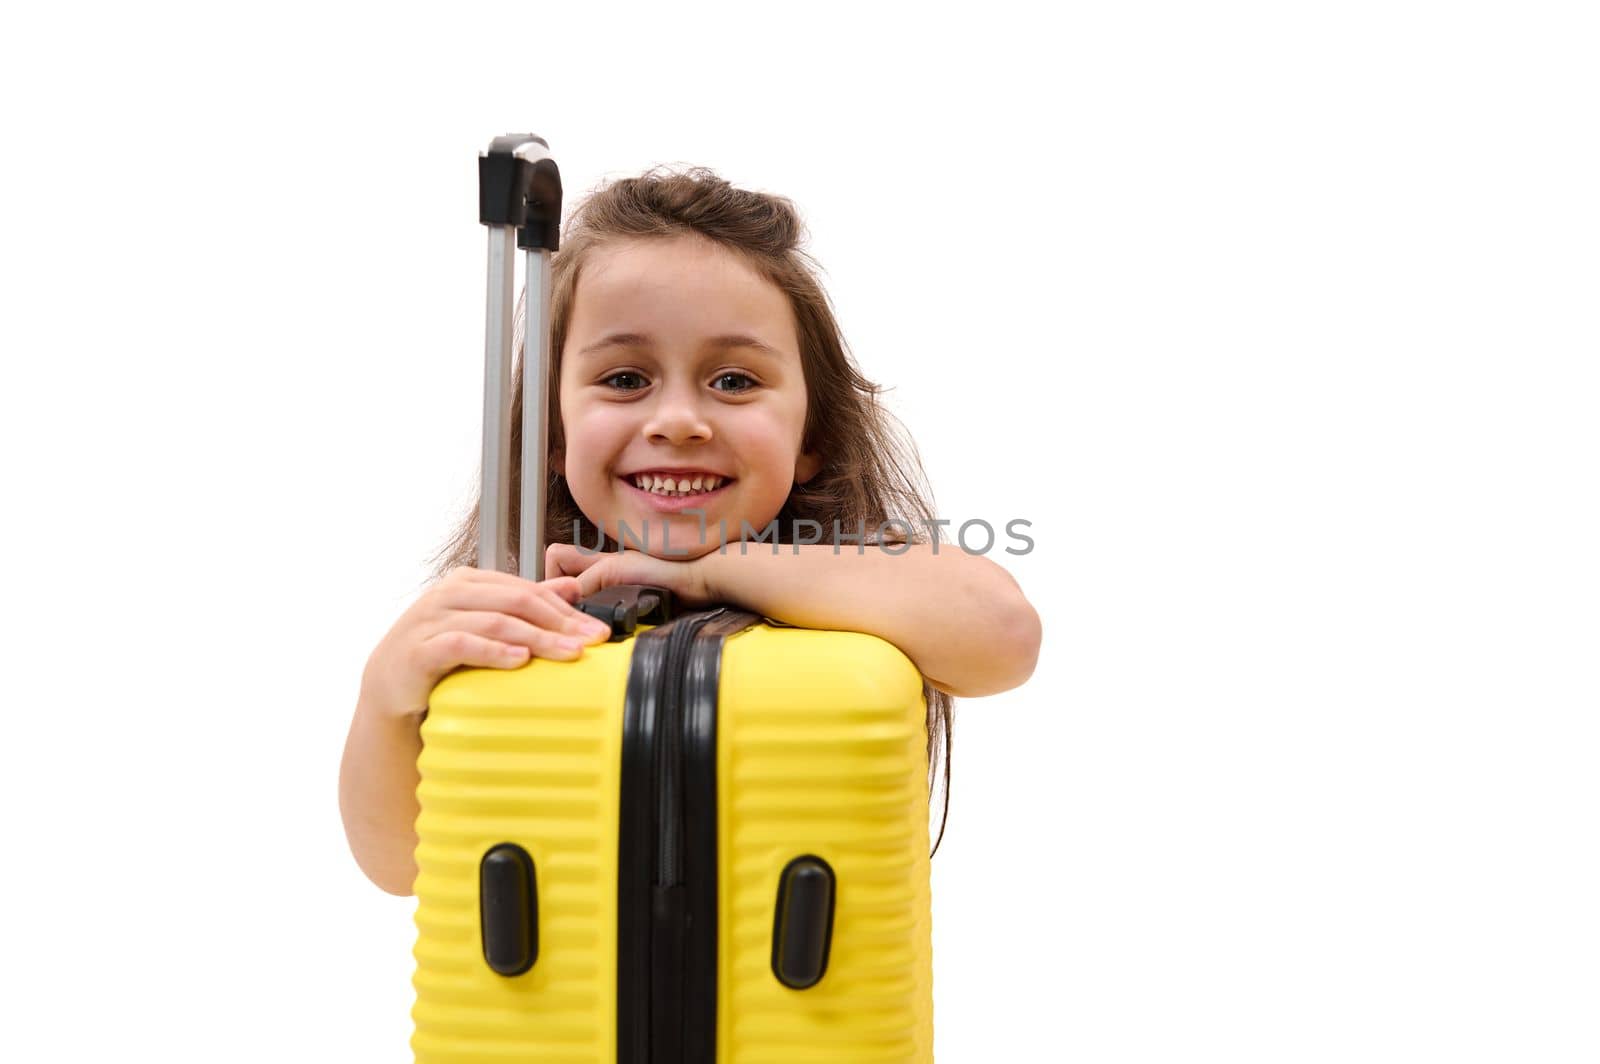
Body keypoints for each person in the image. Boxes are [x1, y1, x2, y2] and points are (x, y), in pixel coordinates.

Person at [339, 167, 1042, 896]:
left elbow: (1004, 635)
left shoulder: (859, 588)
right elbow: (405, 866)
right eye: (624, 379)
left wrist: (709, 574)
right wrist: (386, 696)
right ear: (553, 430)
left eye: (734, 381)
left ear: (812, 435)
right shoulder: (516, 611)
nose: (677, 420)